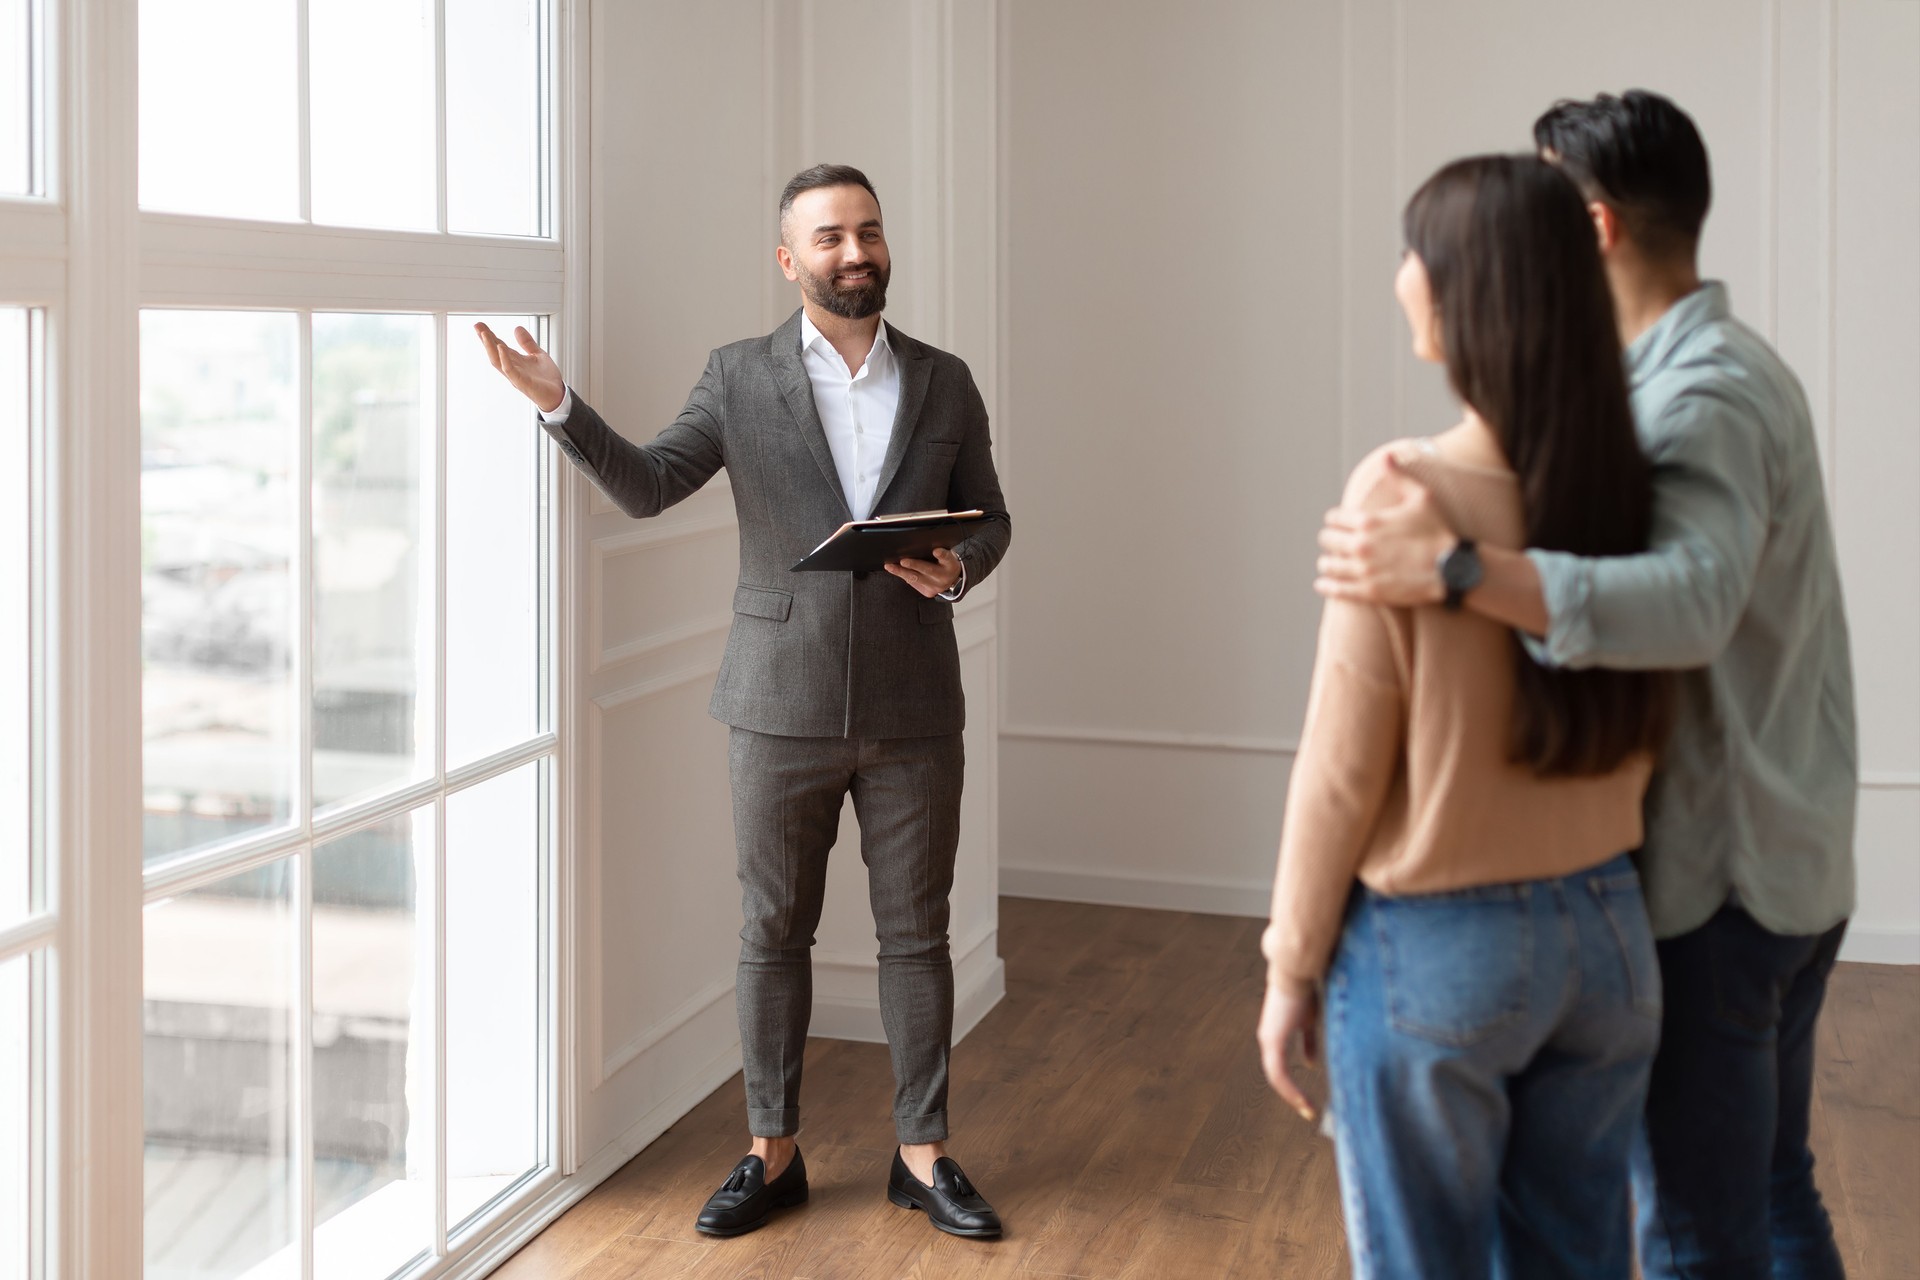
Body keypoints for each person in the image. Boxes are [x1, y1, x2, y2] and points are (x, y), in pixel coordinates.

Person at [1314, 92, 1855, 1279]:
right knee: (1767, 1192)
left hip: (1724, 878)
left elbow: (1695, 599)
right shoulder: (1712, 370)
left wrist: (1455, 565)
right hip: (1785, 860)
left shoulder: (1692, 396)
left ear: (1594, 226)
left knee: (1700, 1233)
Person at [476, 163, 1009, 1240]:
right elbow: (648, 483)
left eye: (868, 232)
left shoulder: (945, 379)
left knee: (917, 932)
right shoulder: (737, 375)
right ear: (789, 259)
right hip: (776, 703)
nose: (855, 252)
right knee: (773, 930)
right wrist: (558, 404)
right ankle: (772, 1150)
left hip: (915, 704)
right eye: (829, 238)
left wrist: (955, 569)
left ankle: (923, 1151)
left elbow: (992, 517)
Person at [1257, 154, 1676, 1279]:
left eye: (1410, 252)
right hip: (1610, 940)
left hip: (1440, 949)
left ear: (1461, 287)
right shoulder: (1632, 490)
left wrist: (1288, 967)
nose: (1398, 276)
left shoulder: (1402, 491)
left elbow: (1341, 770)